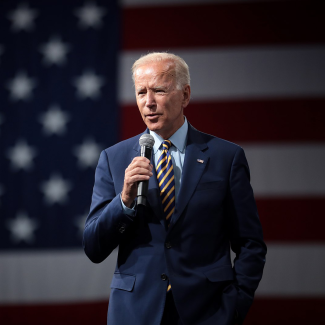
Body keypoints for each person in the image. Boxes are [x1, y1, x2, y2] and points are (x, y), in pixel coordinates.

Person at [83, 52, 266, 325]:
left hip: (209, 312)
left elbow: (250, 244)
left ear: (185, 95)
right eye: (141, 92)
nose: (149, 102)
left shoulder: (226, 157)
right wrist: (124, 200)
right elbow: (94, 247)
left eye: (159, 90)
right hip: (135, 313)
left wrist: (235, 306)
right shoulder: (114, 158)